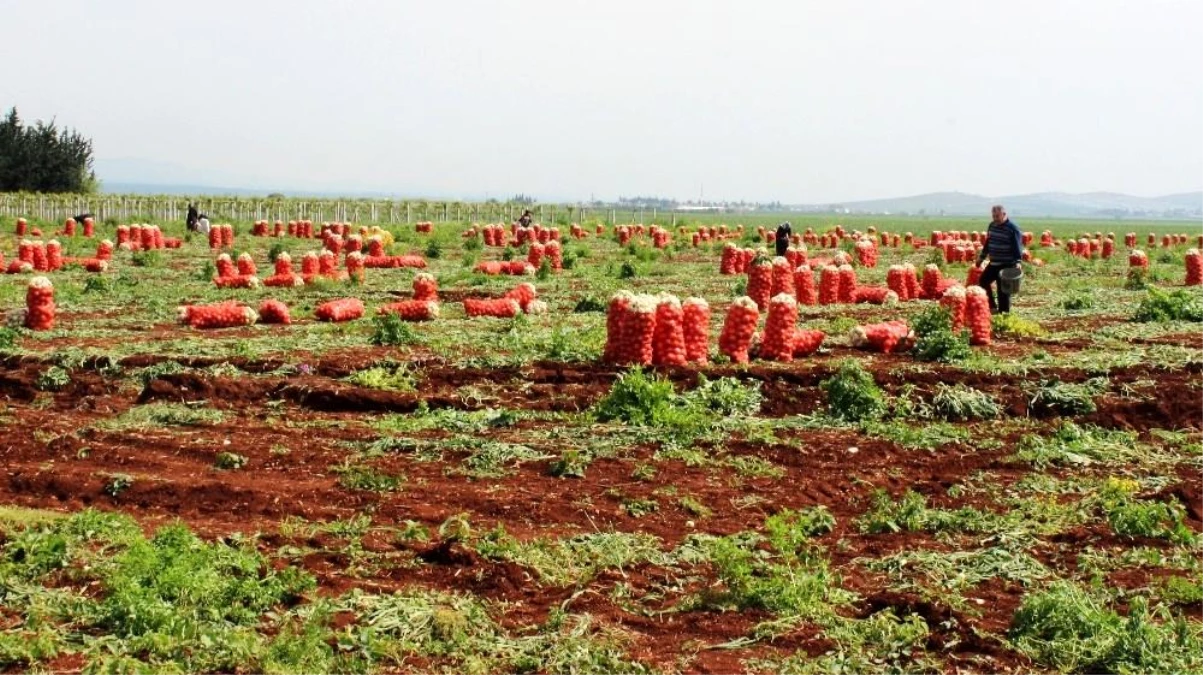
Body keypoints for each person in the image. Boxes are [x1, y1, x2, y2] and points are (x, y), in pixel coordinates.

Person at [977, 205, 1024, 314]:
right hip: (993, 263)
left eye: (997, 216)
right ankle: (992, 306)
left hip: (1007, 264)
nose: (995, 218)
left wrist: (1018, 262)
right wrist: (982, 257)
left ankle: (1004, 314)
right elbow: (988, 242)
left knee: (1003, 290)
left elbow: (1017, 246)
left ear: (1004, 214)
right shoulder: (992, 225)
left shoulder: (1012, 228)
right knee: (983, 281)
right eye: (993, 216)